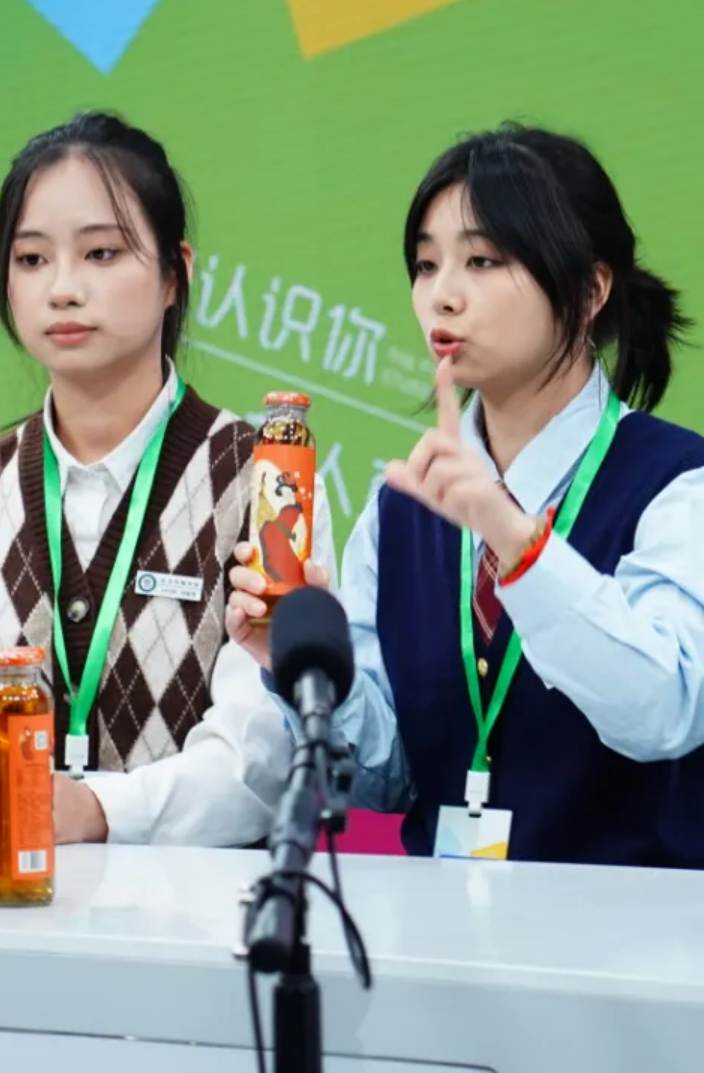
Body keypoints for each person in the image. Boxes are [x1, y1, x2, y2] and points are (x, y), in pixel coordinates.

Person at [228, 123, 704, 867]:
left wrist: (511, 536)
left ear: (590, 289)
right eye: (426, 265)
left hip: (630, 927)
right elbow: (385, 778)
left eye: (482, 261)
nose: (441, 297)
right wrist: (298, 667)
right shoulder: (401, 508)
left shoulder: (678, 483)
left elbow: (663, 710)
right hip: (443, 923)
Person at [0, 111, 337, 848]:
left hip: (199, 915)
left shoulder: (265, 487)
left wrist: (96, 809)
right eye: (31, 259)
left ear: (176, 274)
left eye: (102, 253)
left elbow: (262, 760)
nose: (62, 288)